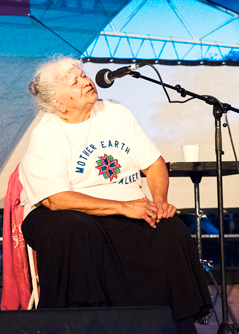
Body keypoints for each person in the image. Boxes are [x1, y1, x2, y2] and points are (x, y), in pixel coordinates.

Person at [19, 56, 211, 334]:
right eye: (76, 81)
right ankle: (85, 325)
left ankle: (169, 325)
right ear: (58, 103)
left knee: (169, 230)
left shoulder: (115, 112)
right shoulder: (48, 132)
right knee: (76, 231)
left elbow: (154, 164)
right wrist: (123, 207)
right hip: (64, 213)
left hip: (124, 206)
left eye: (83, 75)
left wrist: (158, 202)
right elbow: (55, 199)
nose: (86, 80)